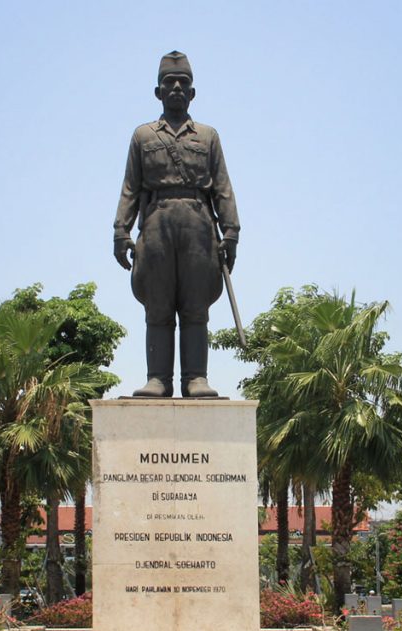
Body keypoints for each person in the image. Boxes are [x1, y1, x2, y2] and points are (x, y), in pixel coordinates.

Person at [113, 51, 240, 398]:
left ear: (193, 93)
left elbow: (223, 186)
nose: (177, 88)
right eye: (170, 83)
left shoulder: (208, 136)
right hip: (155, 223)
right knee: (158, 302)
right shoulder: (142, 136)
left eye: (184, 83)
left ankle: (195, 378)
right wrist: (121, 230)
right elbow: (130, 186)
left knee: (195, 303)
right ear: (158, 92)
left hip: (199, 224)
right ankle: (158, 379)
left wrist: (231, 232)